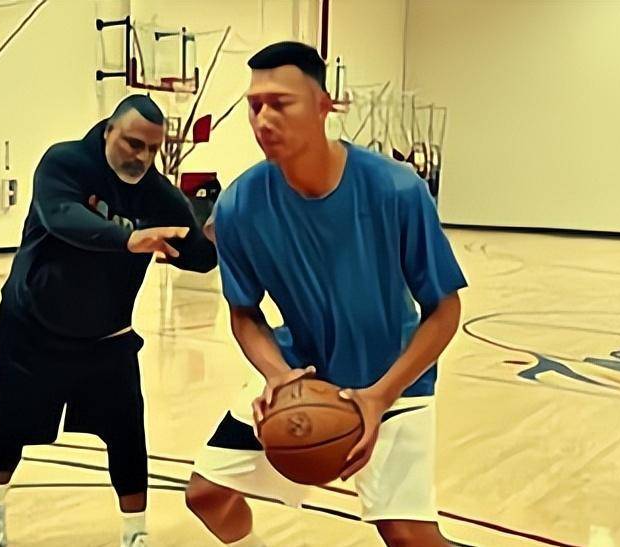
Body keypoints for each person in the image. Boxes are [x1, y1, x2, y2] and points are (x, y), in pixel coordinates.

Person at [185, 41, 467, 547]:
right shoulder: (238, 206)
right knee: (207, 494)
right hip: (303, 374)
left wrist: (380, 396)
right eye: (254, 105)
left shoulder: (396, 189)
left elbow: (445, 309)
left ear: (323, 105)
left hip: (393, 379)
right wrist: (277, 374)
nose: (263, 119)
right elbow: (245, 313)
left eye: (280, 103)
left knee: (408, 537)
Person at [0, 94, 217, 547]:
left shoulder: (159, 195)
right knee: (8, 424)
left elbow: (200, 258)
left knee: (127, 434)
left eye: (152, 149)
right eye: (133, 144)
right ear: (108, 131)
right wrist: (128, 239)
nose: (142, 157)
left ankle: (135, 533)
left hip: (107, 337)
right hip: (32, 326)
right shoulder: (65, 163)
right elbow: (62, 218)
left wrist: (213, 233)